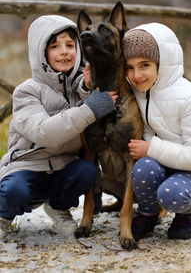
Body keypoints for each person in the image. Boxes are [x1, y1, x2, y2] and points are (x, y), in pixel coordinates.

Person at [0, 15, 118, 240]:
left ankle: (58, 207)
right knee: (15, 191)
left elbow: (83, 101)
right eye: (54, 46)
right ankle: (4, 215)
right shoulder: (28, 91)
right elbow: (45, 133)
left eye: (70, 45)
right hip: (27, 166)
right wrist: (91, 108)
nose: (64, 51)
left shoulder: (79, 87)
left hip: (63, 167)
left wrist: (87, 88)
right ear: (40, 54)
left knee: (88, 171)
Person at [122, 22, 191, 241]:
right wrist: (88, 84)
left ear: (162, 63)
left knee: (171, 193)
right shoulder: (139, 90)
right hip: (162, 163)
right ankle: (148, 214)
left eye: (144, 65)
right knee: (142, 169)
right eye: (129, 67)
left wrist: (152, 148)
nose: (136, 74)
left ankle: (186, 213)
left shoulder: (190, 97)